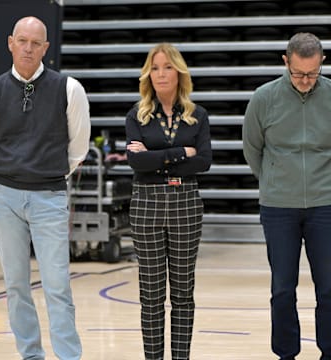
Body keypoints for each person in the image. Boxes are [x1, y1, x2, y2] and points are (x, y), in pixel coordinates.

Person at [242, 32, 331, 360]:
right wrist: (274, 181)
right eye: (298, 73)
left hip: (326, 205)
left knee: (329, 289)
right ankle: (286, 354)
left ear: (322, 63)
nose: (305, 80)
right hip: (278, 207)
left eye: (312, 73)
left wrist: (330, 178)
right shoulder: (263, 98)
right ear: (285, 62)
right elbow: (253, 149)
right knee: (282, 289)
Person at [0, 16, 91, 359]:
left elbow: (78, 148)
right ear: (10, 42)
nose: (28, 48)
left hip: (49, 197)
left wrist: (46, 173)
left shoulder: (69, 88)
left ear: (46, 48)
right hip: (3, 198)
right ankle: (30, 355)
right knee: (17, 287)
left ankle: (68, 356)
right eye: (22, 41)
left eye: (36, 43)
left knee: (57, 287)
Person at [125, 42, 212, 360]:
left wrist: (154, 157)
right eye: (155, 67)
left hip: (185, 203)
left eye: (167, 66)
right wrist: (178, 153)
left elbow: (203, 162)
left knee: (182, 294)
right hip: (146, 204)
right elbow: (136, 164)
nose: (161, 73)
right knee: (150, 294)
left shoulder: (197, 115)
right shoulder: (137, 115)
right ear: (148, 74)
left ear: (179, 72)